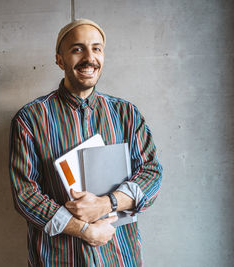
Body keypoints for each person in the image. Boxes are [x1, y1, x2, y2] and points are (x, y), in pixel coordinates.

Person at [9, 18, 163, 266]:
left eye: (96, 48)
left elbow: (151, 173)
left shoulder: (127, 114)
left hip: (118, 255)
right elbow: (25, 195)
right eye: (77, 49)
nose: (89, 57)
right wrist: (83, 229)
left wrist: (106, 204)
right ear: (60, 59)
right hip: (58, 257)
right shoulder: (30, 118)